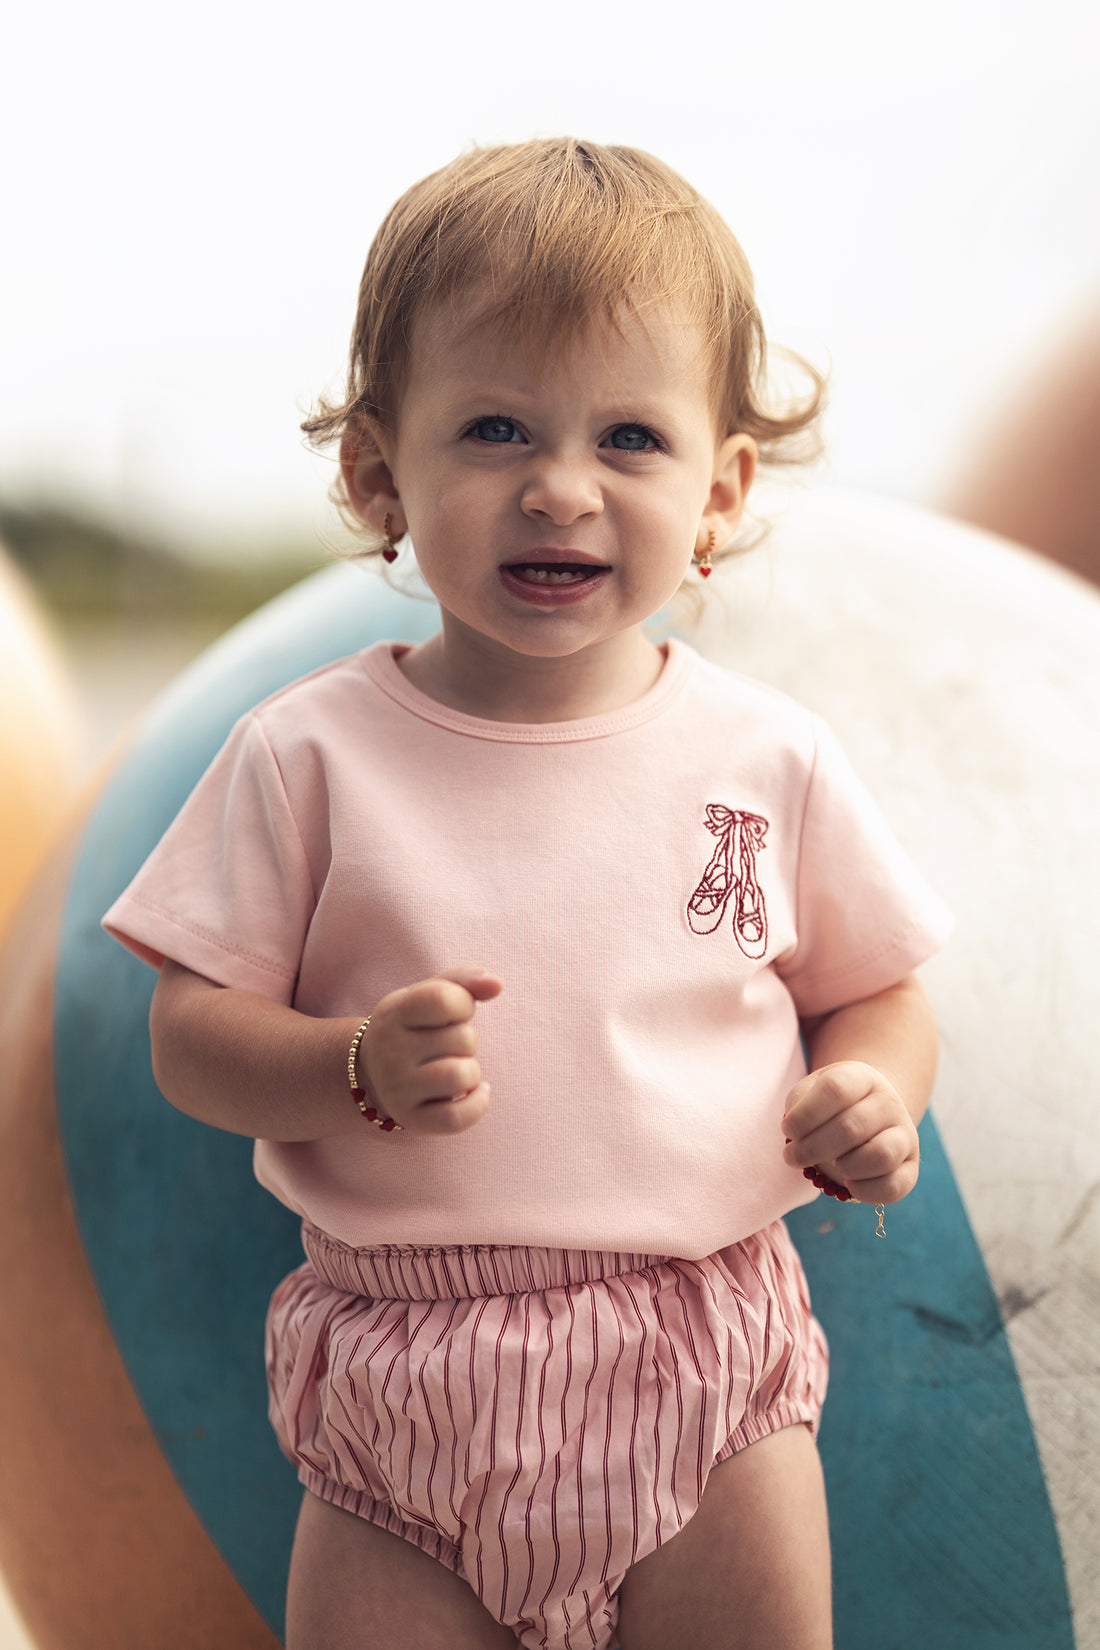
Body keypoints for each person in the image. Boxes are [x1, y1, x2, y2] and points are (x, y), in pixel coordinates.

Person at [103, 138, 951, 1650]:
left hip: (704, 1354)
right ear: (379, 470)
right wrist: (345, 1063)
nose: (561, 487)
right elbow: (187, 1033)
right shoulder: (309, 755)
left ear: (720, 487)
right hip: (403, 1382)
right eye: (495, 428)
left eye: (631, 438)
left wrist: (872, 1090)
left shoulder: (767, 756)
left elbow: (875, 985)